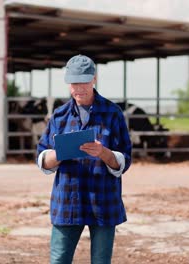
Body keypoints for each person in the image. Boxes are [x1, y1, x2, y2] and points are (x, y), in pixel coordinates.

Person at [36, 54, 132, 264]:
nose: (78, 88)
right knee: (59, 259)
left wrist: (104, 153)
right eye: (73, 83)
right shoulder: (59, 116)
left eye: (84, 82)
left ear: (94, 79)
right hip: (67, 200)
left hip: (103, 200)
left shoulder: (113, 114)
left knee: (100, 261)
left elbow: (125, 159)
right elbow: (42, 158)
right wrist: (58, 154)